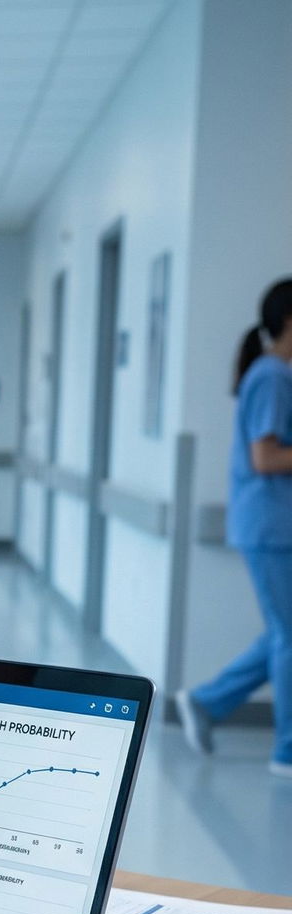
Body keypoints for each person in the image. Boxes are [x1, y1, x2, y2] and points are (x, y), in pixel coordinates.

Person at [179, 279, 292, 779]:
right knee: (288, 636)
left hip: (272, 524)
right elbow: (265, 458)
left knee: (283, 633)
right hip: (270, 526)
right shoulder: (272, 376)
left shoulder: (273, 374)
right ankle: (286, 751)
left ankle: (207, 702)